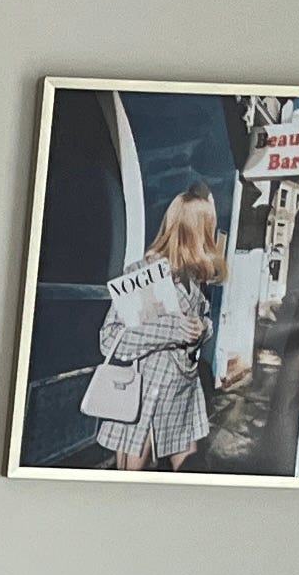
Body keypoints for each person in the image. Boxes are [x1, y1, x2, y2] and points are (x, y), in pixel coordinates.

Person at [97, 186, 226, 471]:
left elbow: (205, 321)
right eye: (208, 228)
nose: (212, 236)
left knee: (188, 483)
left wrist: (201, 328)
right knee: (128, 493)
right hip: (143, 397)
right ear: (196, 231)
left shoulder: (194, 278)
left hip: (183, 396)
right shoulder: (140, 274)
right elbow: (109, 340)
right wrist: (172, 330)